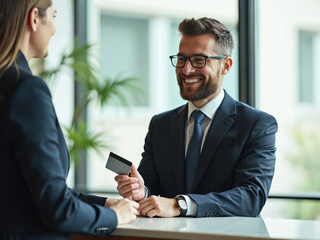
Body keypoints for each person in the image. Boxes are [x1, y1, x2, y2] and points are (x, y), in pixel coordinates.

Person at [0, 0, 138, 239]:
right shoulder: (26, 90)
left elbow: (28, 192)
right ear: (34, 18)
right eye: (54, 16)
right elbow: (57, 209)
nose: (55, 28)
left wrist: (106, 204)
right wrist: (114, 217)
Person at [115, 17, 277, 218]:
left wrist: (181, 205)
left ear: (226, 66)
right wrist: (141, 191)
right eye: (181, 59)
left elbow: (251, 196)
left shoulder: (256, 125)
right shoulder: (160, 125)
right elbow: (150, 185)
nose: (186, 69)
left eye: (199, 60)